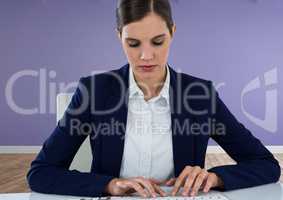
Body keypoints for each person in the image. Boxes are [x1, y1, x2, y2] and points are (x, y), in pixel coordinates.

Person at [27, 0, 281, 198]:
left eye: (158, 42)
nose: (146, 56)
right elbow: (40, 173)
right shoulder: (94, 91)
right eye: (133, 43)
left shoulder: (200, 95)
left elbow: (266, 165)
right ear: (119, 37)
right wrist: (109, 185)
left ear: (172, 32)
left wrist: (214, 178)